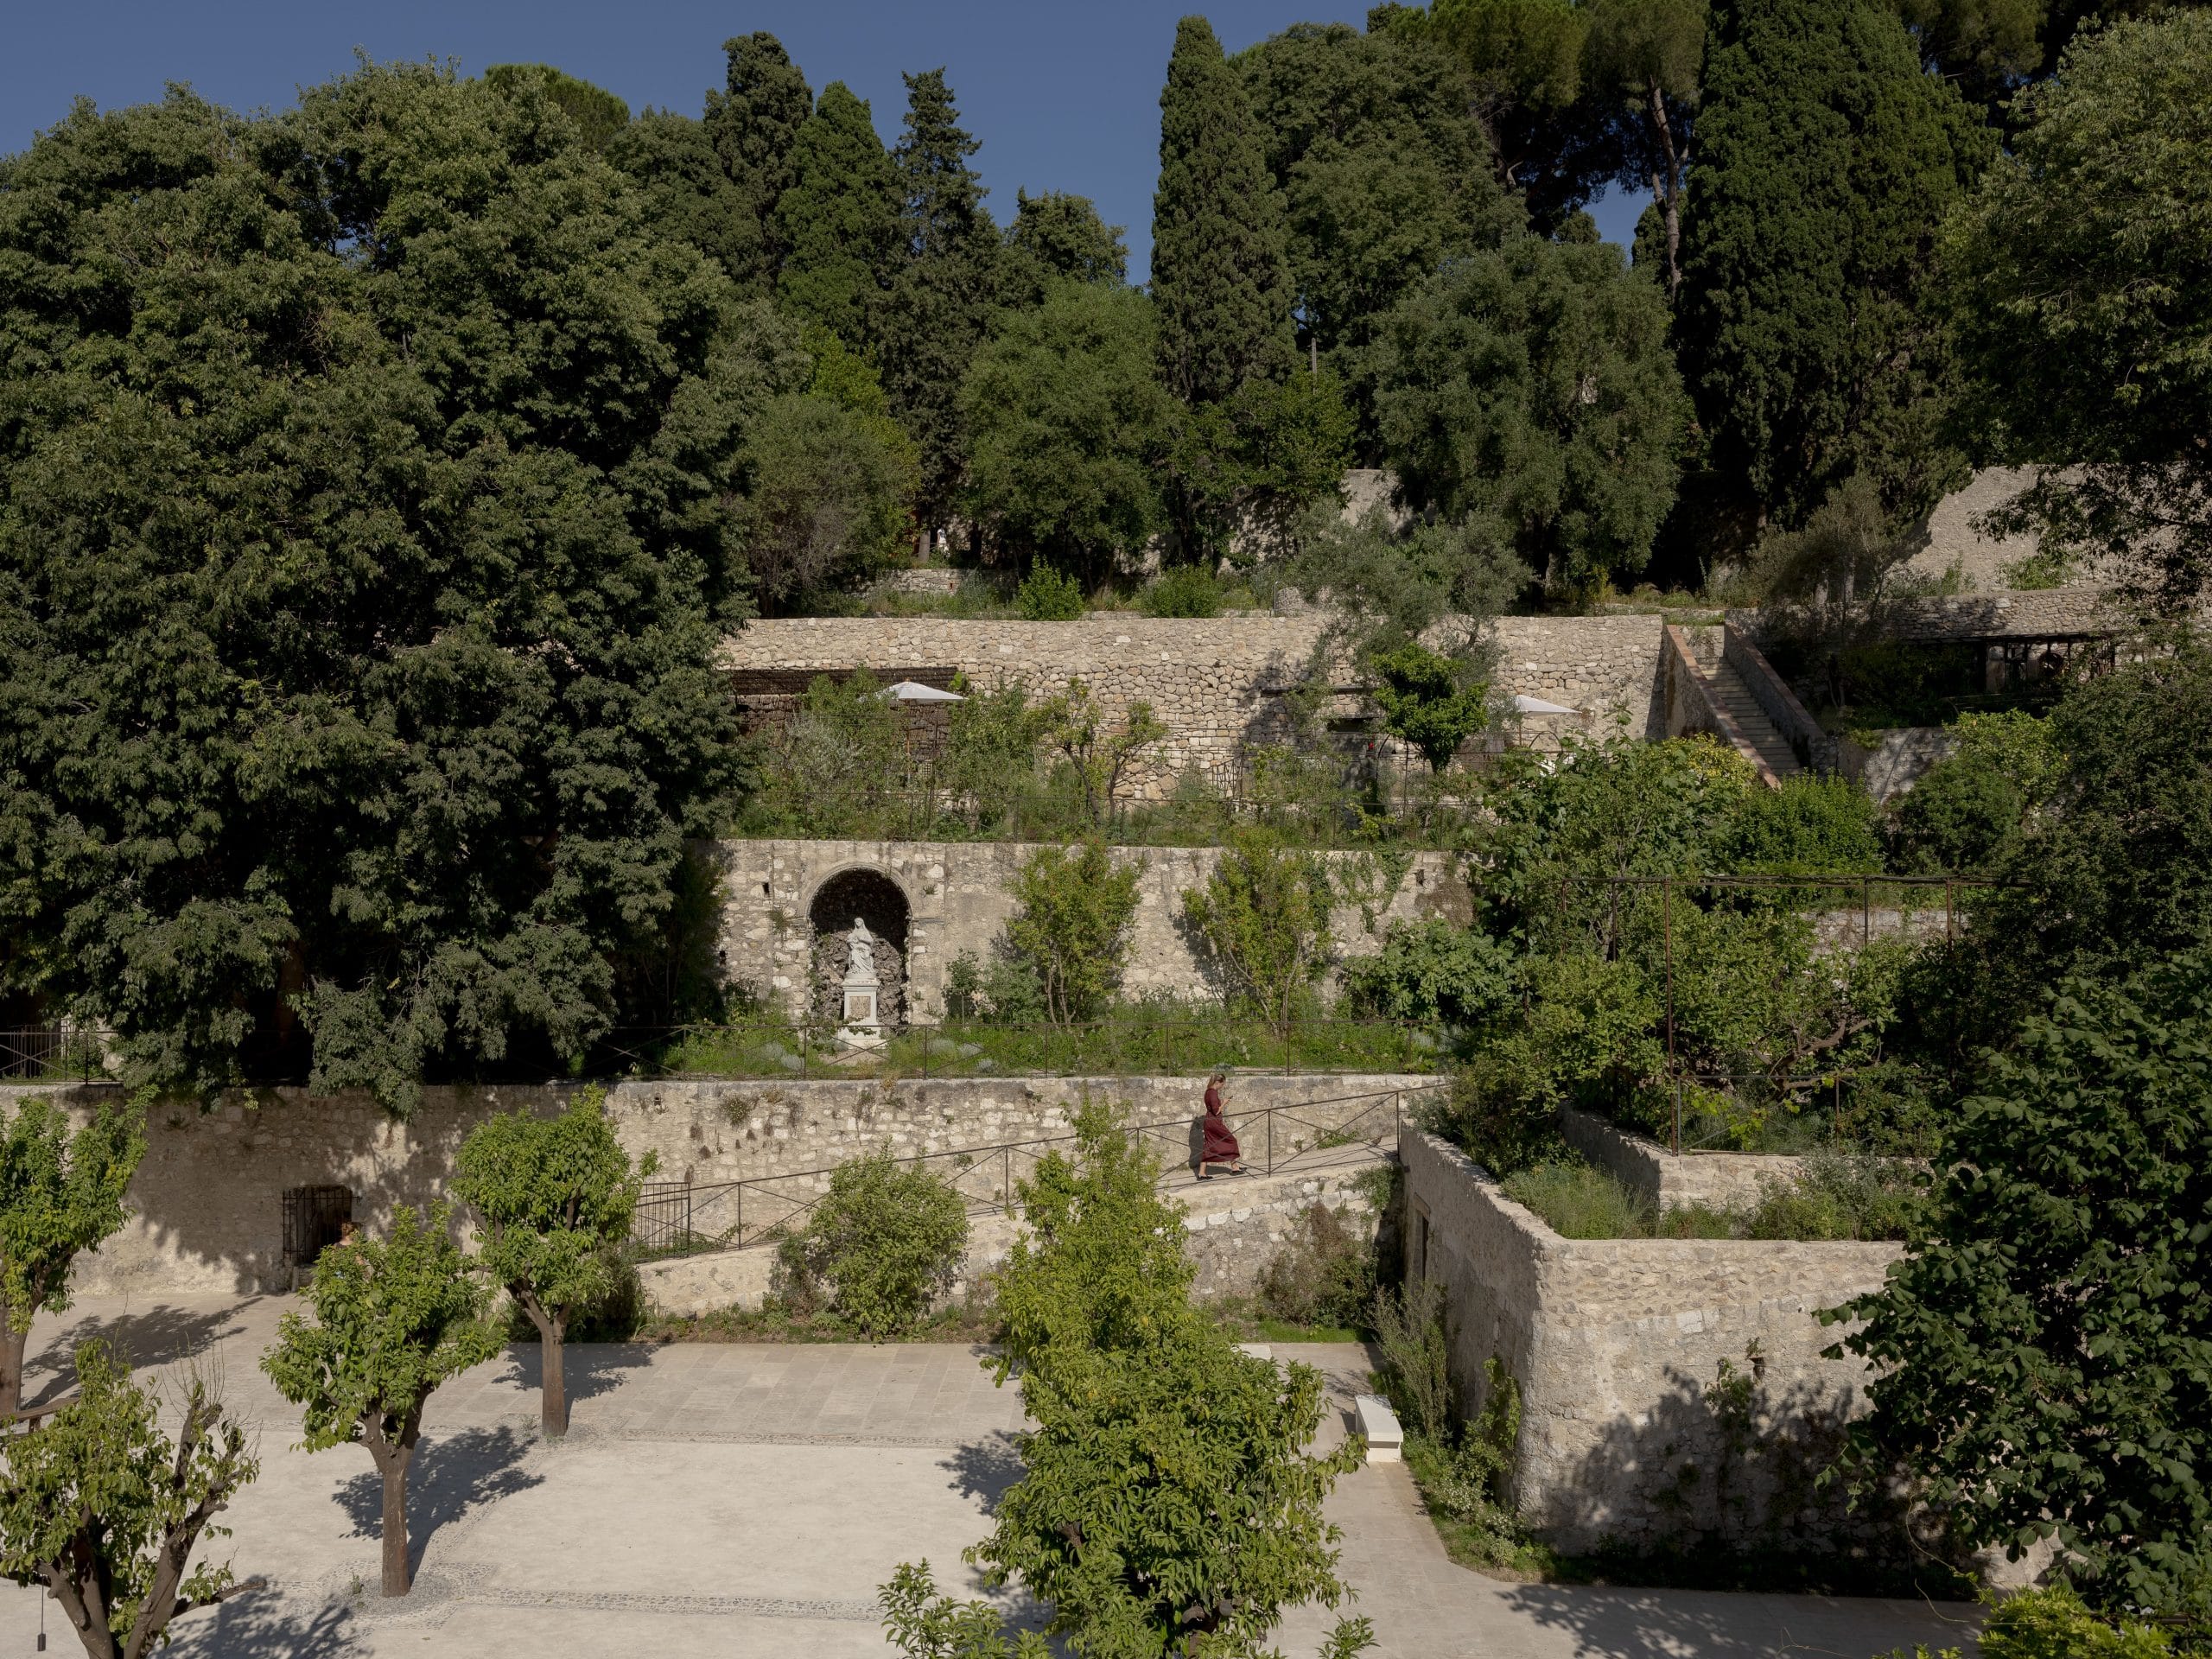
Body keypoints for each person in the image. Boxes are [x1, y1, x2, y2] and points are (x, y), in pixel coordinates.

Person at [1198, 1072, 1249, 1178]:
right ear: (1217, 1082)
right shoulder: (1213, 1093)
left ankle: (1201, 1173)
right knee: (1231, 1140)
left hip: (1210, 1122)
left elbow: (1212, 1108)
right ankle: (1234, 1167)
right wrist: (1224, 1102)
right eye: (1222, 1084)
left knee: (1209, 1145)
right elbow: (1216, 1111)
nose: (1223, 1086)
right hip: (1214, 1122)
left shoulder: (1208, 1092)